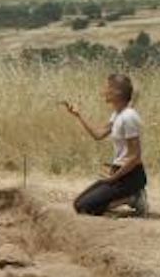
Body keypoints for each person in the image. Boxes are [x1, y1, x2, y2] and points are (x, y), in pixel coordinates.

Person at [61, 73, 147, 216]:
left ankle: (133, 198)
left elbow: (135, 157)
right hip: (120, 173)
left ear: (117, 93)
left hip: (130, 176)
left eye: (107, 88)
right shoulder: (117, 114)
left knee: (85, 208)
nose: (103, 92)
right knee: (79, 204)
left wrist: (113, 178)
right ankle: (129, 196)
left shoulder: (129, 117)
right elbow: (98, 135)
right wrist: (78, 115)